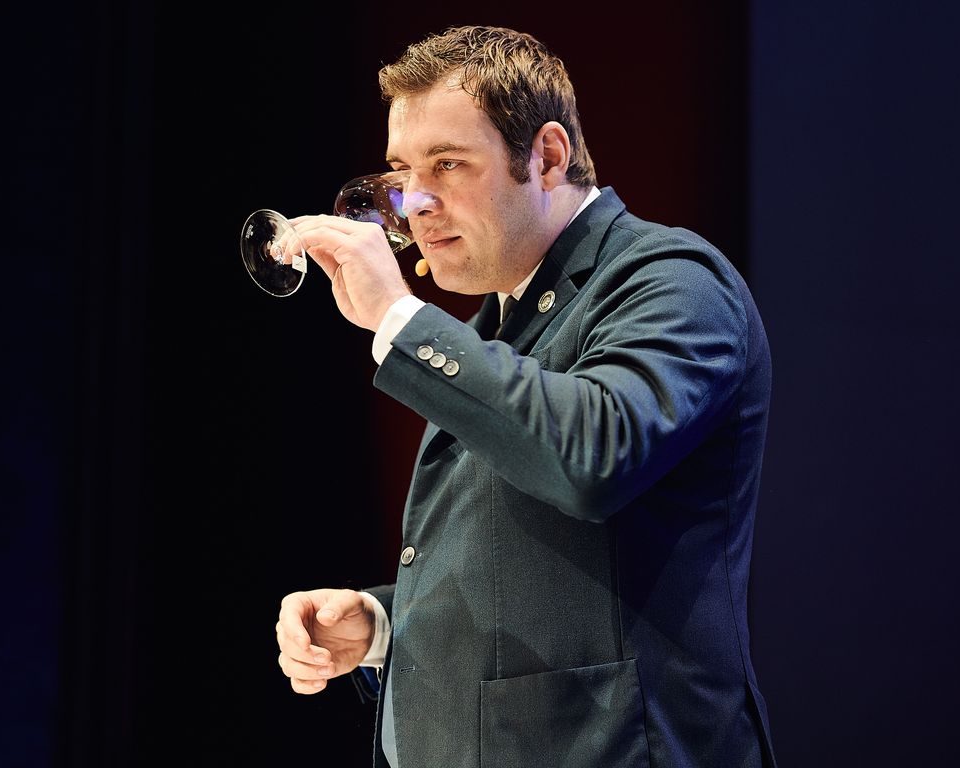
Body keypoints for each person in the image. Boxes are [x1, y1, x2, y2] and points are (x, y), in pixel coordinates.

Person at [275, 25, 778, 768]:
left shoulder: (672, 278)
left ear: (546, 155)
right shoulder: (498, 320)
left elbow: (592, 457)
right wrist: (384, 622)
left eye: (448, 164)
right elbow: (522, 554)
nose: (415, 203)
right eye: (403, 170)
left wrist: (399, 318)